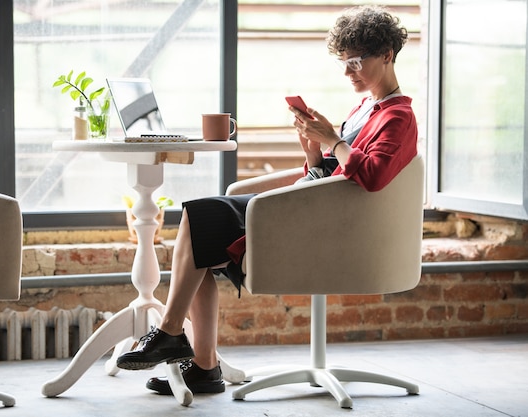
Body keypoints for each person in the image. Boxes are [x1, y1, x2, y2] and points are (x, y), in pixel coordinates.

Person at [116, 5, 418, 395]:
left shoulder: (398, 116)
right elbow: (336, 173)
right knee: (200, 228)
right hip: (311, 207)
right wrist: (314, 150)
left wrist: (332, 140)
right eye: (344, 63)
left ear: (388, 55)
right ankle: (203, 366)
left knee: (200, 218)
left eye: (356, 62)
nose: (348, 73)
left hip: (327, 226)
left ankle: (173, 334)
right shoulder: (365, 109)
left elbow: (372, 177)